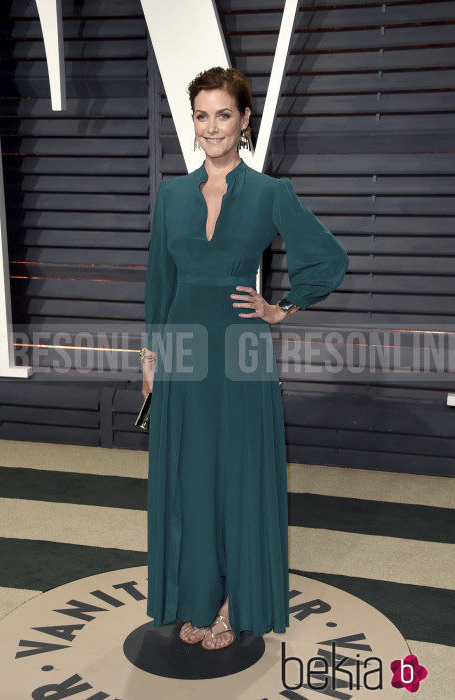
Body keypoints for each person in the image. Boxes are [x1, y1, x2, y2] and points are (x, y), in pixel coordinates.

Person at [141, 67, 349, 650]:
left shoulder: (268, 193)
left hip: (241, 349)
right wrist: (150, 356)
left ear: (244, 120)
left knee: (237, 473)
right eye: (202, 115)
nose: (212, 127)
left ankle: (236, 602)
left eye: (223, 115)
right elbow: (160, 281)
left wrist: (283, 307)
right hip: (183, 351)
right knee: (192, 477)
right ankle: (199, 595)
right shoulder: (173, 195)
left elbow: (328, 259)